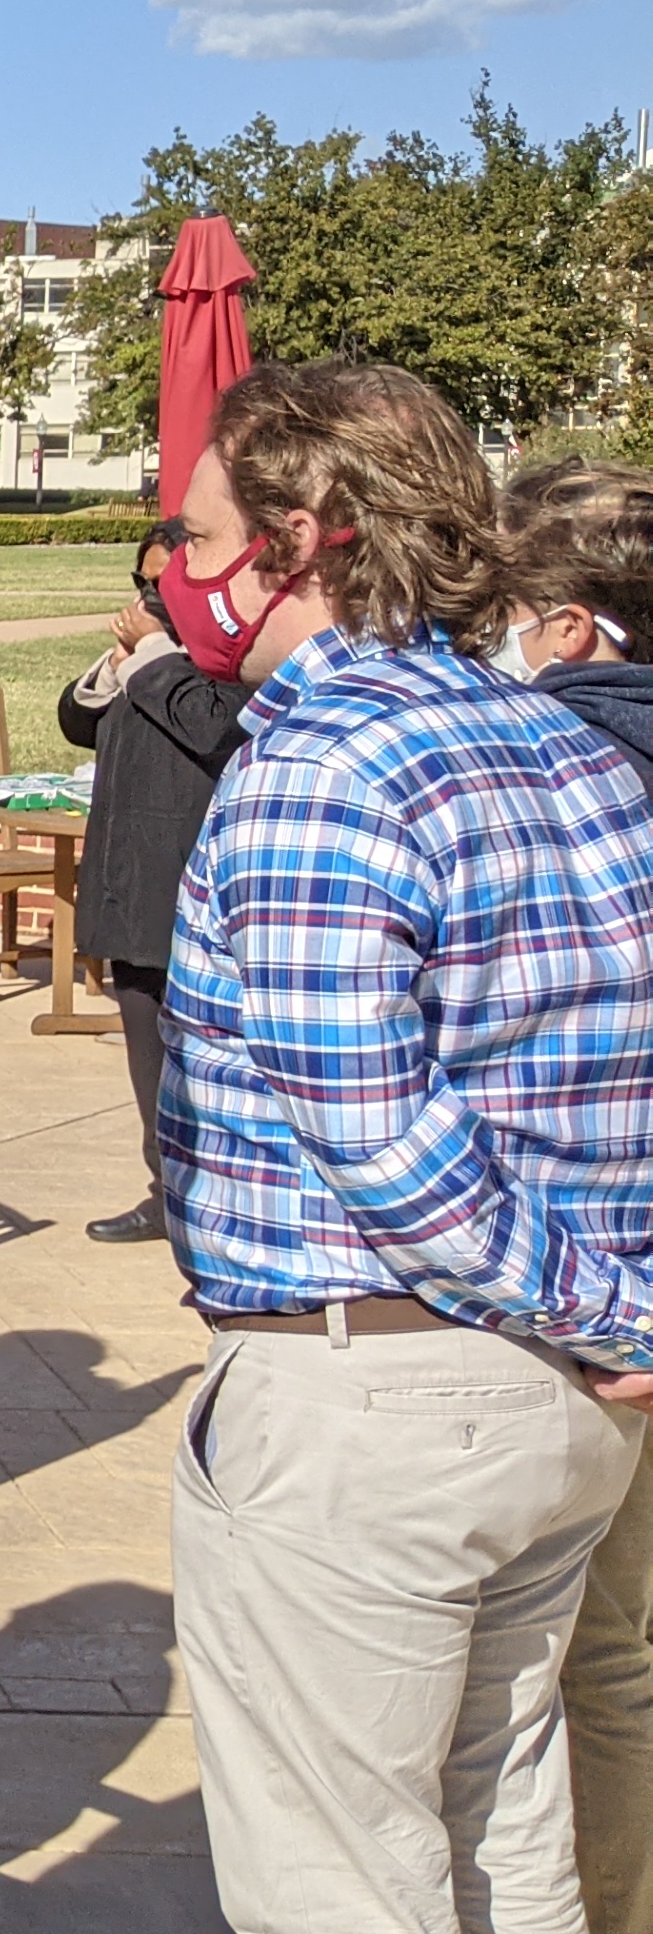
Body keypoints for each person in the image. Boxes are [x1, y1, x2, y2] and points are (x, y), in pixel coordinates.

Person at [157, 372, 653, 1934]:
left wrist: (603, 1313)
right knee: (505, 1835)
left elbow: (379, 1138)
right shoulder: (563, 747)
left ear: (300, 542)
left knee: (342, 1882)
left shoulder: (323, 771)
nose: (190, 566)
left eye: (206, 534)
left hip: (378, 1392)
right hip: (548, 1406)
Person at [488, 455, 653, 1934]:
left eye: (515, 608)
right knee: (618, 1659)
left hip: (569, 1290)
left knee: (535, 1672)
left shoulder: (547, 769)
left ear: (576, 626)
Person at [56, 516, 253, 1246]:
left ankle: (215, 1197)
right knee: (147, 1056)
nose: (148, 598)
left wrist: (156, 655)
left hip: (193, 891)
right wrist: (114, 668)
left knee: (204, 1066)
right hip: (130, 885)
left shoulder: (234, 663)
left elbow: (213, 732)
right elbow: (78, 723)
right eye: (142, 583)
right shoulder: (147, 660)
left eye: (164, 583)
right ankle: (164, 1190)